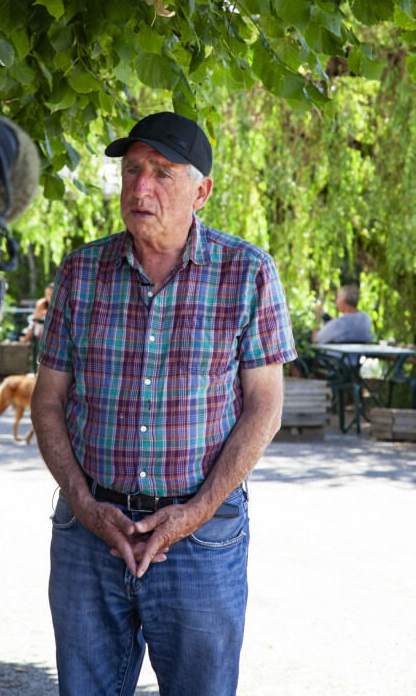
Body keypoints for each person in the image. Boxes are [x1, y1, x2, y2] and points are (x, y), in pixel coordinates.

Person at [31, 111, 297, 696]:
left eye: (161, 172)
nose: (140, 187)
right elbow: (47, 402)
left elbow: (264, 408)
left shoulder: (247, 273)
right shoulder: (81, 272)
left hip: (202, 540)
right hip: (89, 534)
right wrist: (82, 503)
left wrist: (196, 512)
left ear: (202, 191)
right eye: (131, 171)